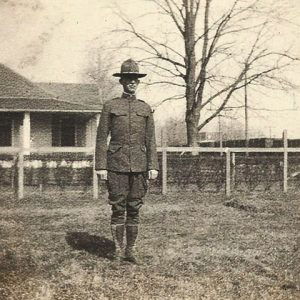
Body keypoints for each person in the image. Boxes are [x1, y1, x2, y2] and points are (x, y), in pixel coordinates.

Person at [95, 59, 159, 263]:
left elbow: (151, 139)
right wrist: (101, 165)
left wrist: (153, 166)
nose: (132, 82)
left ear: (138, 83)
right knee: (118, 207)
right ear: (122, 81)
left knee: (134, 207)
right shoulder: (110, 106)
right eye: (129, 78)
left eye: (136, 79)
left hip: (140, 165)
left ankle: (130, 251)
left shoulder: (145, 108)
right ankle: (116, 250)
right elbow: (101, 137)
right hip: (116, 165)